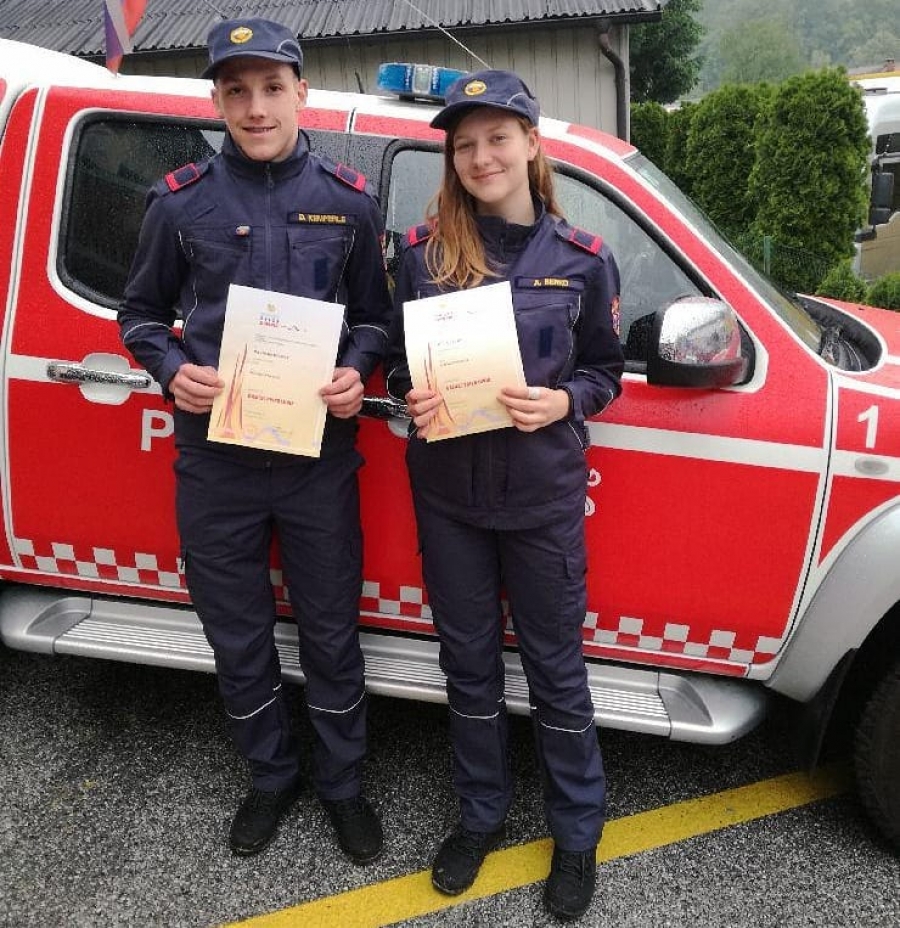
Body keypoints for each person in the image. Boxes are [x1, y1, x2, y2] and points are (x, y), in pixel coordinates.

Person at [118, 18, 392, 864]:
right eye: (236, 91)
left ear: (301, 92)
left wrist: (356, 370)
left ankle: (342, 785)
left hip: (317, 461)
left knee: (330, 632)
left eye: (272, 87)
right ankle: (271, 776)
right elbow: (138, 315)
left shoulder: (349, 200)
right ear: (217, 101)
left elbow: (375, 319)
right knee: (236, 634)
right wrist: (172, 369)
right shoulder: (179, 202)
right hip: (215, 460)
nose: (256, 106)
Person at [385, 69, 624, 920]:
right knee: (469, 665)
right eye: (465, 144)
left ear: (530, 143)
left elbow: (605, 371)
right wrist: (407, 391)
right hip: (448, 497)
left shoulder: (584, 259)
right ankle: (480, 816)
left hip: (541, 501)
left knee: (557, 670)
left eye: (497, 138)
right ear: (452, 158)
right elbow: (396, 364)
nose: (481, 156)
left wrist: (564, 401)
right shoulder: (422, 255)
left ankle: (578, 832)